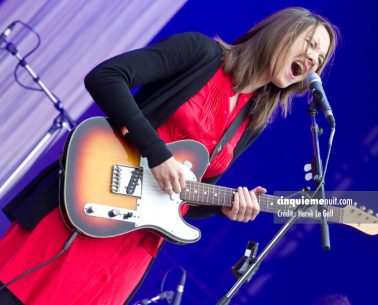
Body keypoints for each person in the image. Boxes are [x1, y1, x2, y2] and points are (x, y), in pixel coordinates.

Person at [0, 7, 338, 305]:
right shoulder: (201, 53)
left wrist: (224, 205)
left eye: (320, 58)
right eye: (310, 44)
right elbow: (105, 78)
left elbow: (185, 193)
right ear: (280, 34)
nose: (313, 60)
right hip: (88, 205)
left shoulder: (251, 121)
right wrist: (157, 154)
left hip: (131, 250)